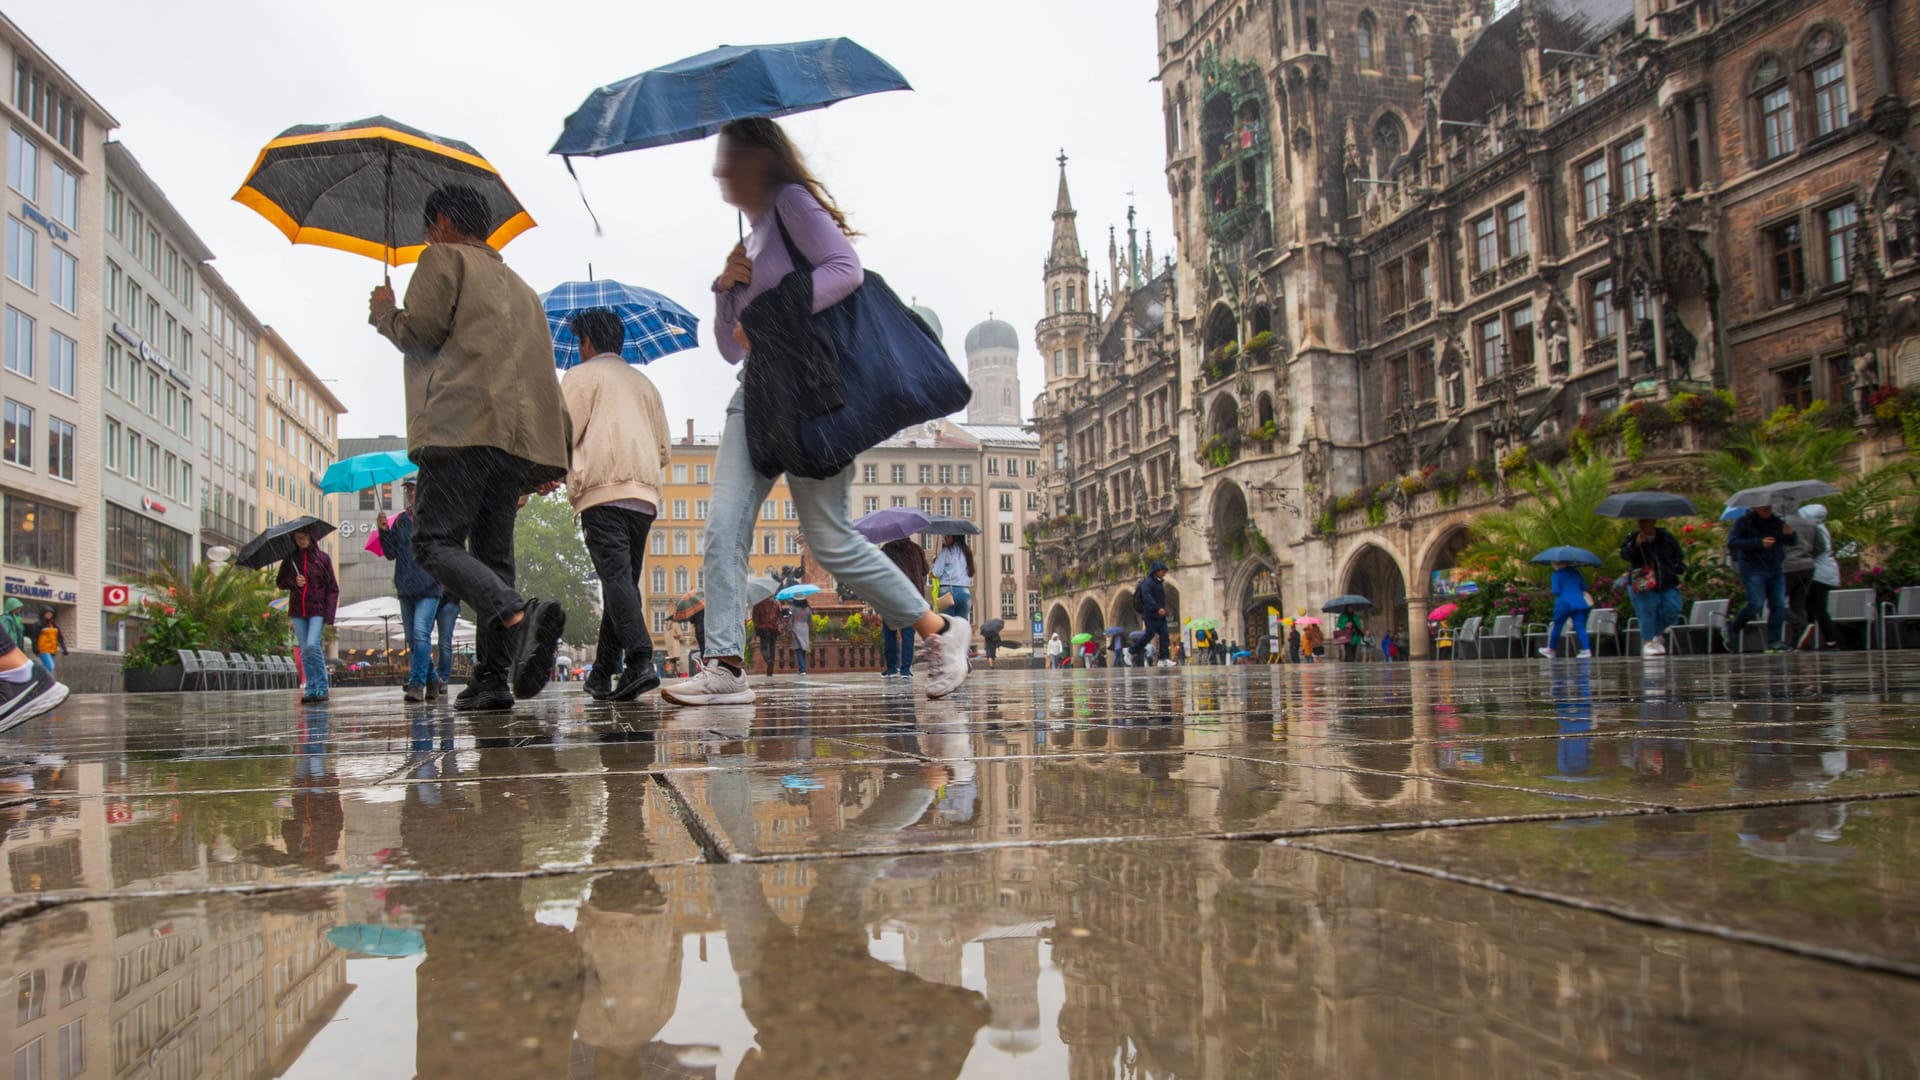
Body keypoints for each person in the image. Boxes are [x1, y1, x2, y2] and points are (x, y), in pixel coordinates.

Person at [661, 118, 969, 705]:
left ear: (760, 160)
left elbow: (845, 269)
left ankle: (940, 630)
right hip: (753, 391)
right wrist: (726, 291)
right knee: (723, 526)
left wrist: (771, 308)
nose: (722, 173)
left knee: (830, 541)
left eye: (731, 159)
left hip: (811, 388)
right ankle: (725, 665)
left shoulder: (791, 203)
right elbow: (733, 346)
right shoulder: (746, 245)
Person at [369, 183, 573, 711]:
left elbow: (421, 330)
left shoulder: (442, 258)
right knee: (494, 554)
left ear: (441, 221)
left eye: (428, 226)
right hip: (513, 440)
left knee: (432, 543)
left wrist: (385, 312)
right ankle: (490, 679)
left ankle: (517, 612)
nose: (428, 235)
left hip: (461, 425)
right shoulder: (523, 289)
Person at [561, 308, 672, 703]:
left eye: (579, 343)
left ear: (588, 342)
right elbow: (664, 449)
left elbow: (563, 431)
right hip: (643, 495)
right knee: (620, 581)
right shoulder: (645, 385)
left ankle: (641, 660)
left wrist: (547, 474)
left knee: (616, 580)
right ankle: (603, 671)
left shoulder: (581, 377)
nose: (578, 350)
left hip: (602, 491)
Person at [378, 478, 449, 703]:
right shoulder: (399, 521)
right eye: (408, 490)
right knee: (412, 639)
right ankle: (433, 679)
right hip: (406, 587)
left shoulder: (434, 518)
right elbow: (390, 553)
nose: (411, 493)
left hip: (429, 587)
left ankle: (417, 684)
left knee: (420, 633)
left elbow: (445, 550)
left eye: (415, 489)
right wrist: (383, 532)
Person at [276, 526, 339, 703]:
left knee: (312, 645)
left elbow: (332, 588)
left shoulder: (322, 559)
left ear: (311, 537)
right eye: (297, 537)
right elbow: (280, 582)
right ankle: (311, 687)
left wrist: (329, 613)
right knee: (304, 650)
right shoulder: (290, 560)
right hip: (298, 610)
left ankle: (321, 685)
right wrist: (293, 582)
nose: (301, 540)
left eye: (303, 536)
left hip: (317, 609)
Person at [1725, 504, 1797, 653]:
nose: (1767, 509)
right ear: (1754, 507)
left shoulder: (1777, 521)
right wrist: (1758, 542)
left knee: (1778, 605)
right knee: (1756, 604)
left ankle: (1774, 641)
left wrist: (1789, 534)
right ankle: (1733, 628)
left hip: (1775, 568)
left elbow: (1791, 542)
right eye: (1763, 506)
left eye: (1769, 506)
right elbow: (1733, 542)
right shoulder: (1743, 521)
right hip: (1753, 568)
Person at [1620, 517, 1686, 657]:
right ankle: (1649, 641)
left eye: (1644, 521)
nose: (1641, 525)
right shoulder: (1632, 538)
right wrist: (1636, 545)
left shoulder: (1665, 537)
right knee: (1647, 610)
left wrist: (1677, 567)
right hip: (1643, 582)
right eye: (1639, 522)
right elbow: (1625, 555)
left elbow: (1677, 554)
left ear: (1653, 522)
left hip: (1666, 580)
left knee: (1673, 608)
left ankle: (1657, 633)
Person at [880, 538, 930, 678]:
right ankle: (906, 670)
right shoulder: (916, 549)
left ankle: (891, 669)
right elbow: (925, 570)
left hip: (891, 595)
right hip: (912, 595)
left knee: (890, 631)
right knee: (908, 633)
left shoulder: (887, 549)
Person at [1797, 504, 1841, 649]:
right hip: (1826, 572)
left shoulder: (1815, 529)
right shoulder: (1821, 528)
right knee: (1812, 607)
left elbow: (1815, 550)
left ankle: (1830, 641)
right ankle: (1807, 639)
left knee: (1816, 608)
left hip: (1818, 574)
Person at [1538, 561, 1594, 659]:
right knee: (1580, 627)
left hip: (1563, 604)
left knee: (1557, 626)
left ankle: (1551, 649)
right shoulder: (1576, 572)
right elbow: (1584, 586)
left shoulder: (1556, 574)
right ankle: (1587, 650)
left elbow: (1556, 590)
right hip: (1579, 602)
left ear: (1557, 564)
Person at [930, 535, 975, 624]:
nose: (945, 538)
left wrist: (934, 564)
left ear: (955, 537)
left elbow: (936, 573)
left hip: (947, 592)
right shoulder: (967, 553)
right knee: (961, 627)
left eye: (948, 536)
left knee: (948, 627)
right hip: (965, 593)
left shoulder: (946, 551)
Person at [1136, 562, 1172, 665]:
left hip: (1159, 615)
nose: (1165, 574)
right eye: (1163, 572)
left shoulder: (1158, 582)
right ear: (1157, 571)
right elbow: (1147, 598)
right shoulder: (1147, 583)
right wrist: (1158, 608)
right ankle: (1131, 651)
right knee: (1149, 635)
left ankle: (1163, 658)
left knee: (1165, 635)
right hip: (1150, 614)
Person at [752, 596, 783, 678]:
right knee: (772, 647)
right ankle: (771, 668)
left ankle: (768, 660)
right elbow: (780, 616)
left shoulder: (758, 604)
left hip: (763, 628)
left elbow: (755, 619)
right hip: (773, 629)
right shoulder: (777, 603)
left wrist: (758, 624)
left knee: (764, 648)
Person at [30, 610, 66, 676]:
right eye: (47, 613)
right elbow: (34, 637)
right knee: (50, 666)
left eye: (50, 614)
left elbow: (60, 638)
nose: (49, 615)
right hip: (43, 649)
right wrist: (35, 648)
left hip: (52, 650)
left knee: (48, 667)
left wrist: (64, 648)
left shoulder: (54, 626)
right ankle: (37, 675)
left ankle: (39, 676)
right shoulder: (39, 624)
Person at [788, 601, 811, 676]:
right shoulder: (807, 609)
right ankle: (801, 667)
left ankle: (802, 669)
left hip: (795, 628)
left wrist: (789, 629)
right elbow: (810, 620)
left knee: (798, 649)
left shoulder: (792, 608)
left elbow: (790, 619)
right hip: (805, 629)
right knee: (803, 648)